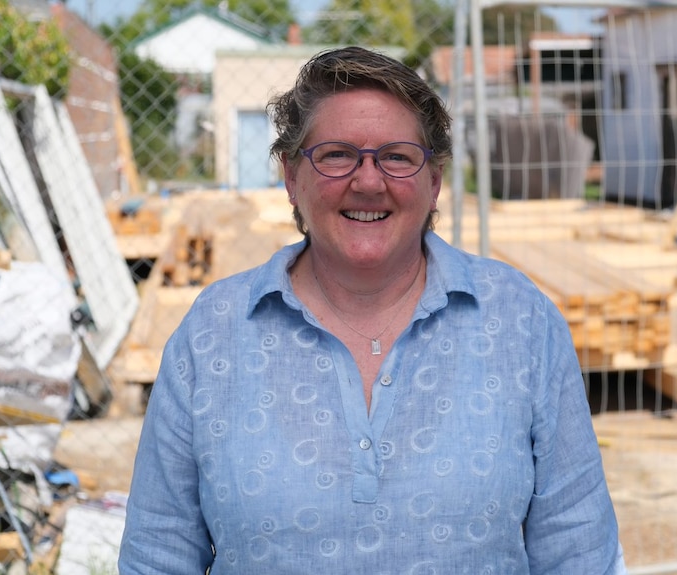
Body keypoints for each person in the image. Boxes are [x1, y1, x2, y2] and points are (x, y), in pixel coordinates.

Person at [118, 45, 627, 574]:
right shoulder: (213, 332)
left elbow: (579, 548)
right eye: (337, 154)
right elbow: (158, 553)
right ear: (292, 177)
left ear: (434, 182)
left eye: (398, 156)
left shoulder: (522, 322)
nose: (368, 181)